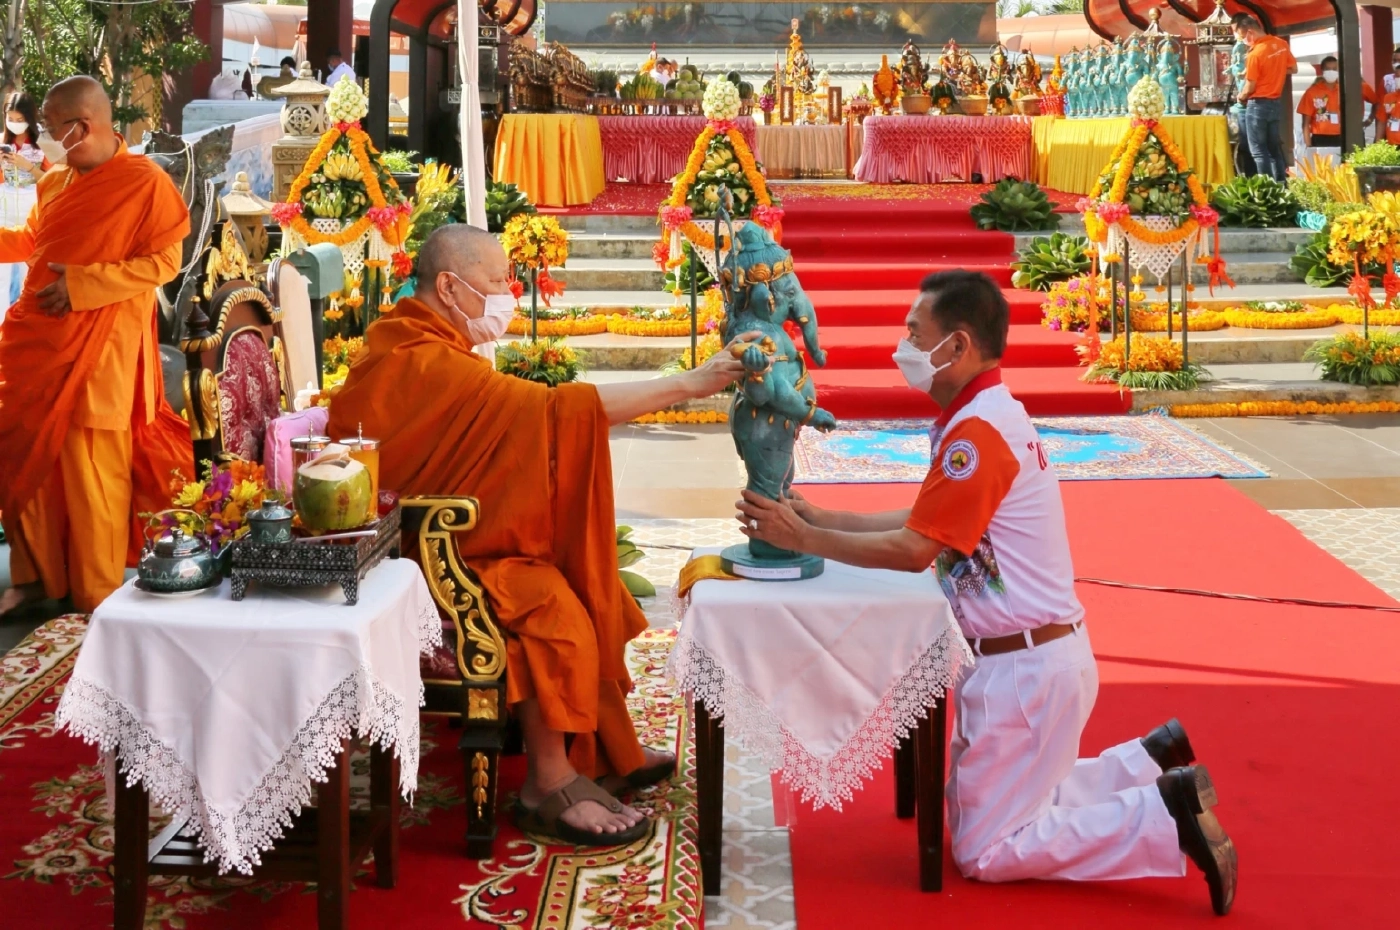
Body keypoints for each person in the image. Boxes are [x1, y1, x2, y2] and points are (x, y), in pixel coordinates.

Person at [736, 270, 1238, 917]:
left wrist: (802, 538)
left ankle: (1163, 817)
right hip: (1034, 660)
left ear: (959, 345)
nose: (904, 346)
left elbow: (915, 550)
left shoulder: (977, 434)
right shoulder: (981, 416)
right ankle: (1147, 762)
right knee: (1011, 803)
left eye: (916, 333)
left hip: (1024, 670)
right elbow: (926, 522)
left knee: (986, 848)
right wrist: (818, 519)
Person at [327, 225, 750, 845]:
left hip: (460, 531)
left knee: (573, 586)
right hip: (421, 551)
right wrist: (688, 384)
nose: (509, 293)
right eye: (498, 282)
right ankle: (546, 783)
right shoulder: (416, 359)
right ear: (449, 286)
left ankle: (603, 752)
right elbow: (559, 413)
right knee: (552, 610)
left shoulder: (432, 345)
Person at [0, 76, 193, 618]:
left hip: (101, 349)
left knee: (91, 477)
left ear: (80, 127)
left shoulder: (144, 183)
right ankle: (38, 577)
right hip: (38, 343)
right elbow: (38, 243)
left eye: (47, 127)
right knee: (30, 464)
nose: (41, 137)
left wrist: (83, 285)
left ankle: (97, 599)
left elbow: (164, 263)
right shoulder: (55, 183)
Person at [0, 92, 48, 316]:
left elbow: (53, 179)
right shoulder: (2, 141)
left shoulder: (44, 144)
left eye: (20, 120)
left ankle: (23, 324)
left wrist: (26, 165)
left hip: (32, 215)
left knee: (28, 276)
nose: (15, 124)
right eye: (10, 119)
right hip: (4, 213)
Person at [1233, 13, 1296, 181]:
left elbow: (1249, 87)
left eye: (1241, 36)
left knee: (1259, 150)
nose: (1243, 41)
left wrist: (1240, 97)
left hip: (1257, 104)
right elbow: (1292, 68)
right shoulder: (1281, 44)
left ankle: (1266, 187)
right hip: (1275, 103)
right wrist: (1274, 71)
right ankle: (1281, 185)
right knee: (1274, 148)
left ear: (1250, 32)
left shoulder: (1255, 53)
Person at [1297, 56, 1378, 159]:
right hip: (1321, 138)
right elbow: (1305, 123)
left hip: (1345, 136)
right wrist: (1309, 147)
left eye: (1334, 69)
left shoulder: (1349, 88)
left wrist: (1370, 119)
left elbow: (1377, 102)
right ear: (1322, 70)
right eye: (1328, 69)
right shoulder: (1312, 92)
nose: (1331, 72)